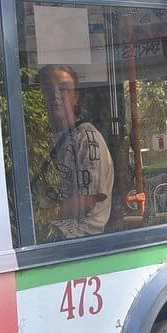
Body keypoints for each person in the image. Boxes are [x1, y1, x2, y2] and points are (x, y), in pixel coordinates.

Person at [36, 64, 113, 239]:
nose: (55, 96)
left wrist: (40, 217)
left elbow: (87, 201)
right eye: (48, 89)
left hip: (77, 243)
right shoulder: (49, 138)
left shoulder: (86, 138)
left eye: (63, 89)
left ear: (75, 97)